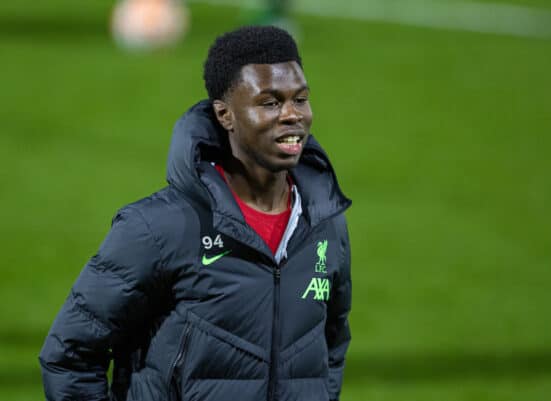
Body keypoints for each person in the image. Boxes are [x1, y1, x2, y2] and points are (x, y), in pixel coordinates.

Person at [39, 25, 352, 401]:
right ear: (225, 115)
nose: (292, 115)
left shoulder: (324, 222)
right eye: (269, 103)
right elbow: (69, 354)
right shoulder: (159, 226)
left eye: (300, 99)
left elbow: (331, 347)